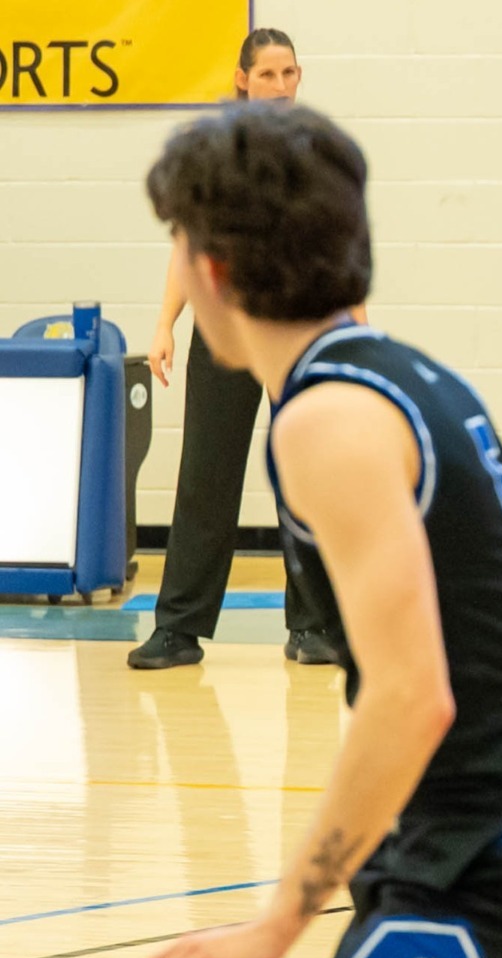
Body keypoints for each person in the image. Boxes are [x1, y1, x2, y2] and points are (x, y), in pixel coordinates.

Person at [140, 104, 502, 958]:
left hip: (489, 868)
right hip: (465, 844)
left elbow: (412, 699)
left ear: (212, 273)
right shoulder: (412, 377)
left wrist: (279, 917)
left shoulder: (326, 419)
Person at [128, 27, 336, 670]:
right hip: (225, 331)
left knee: (304, 477)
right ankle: (178, 629)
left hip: (298, 330)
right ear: (243, 78)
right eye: (267, 74)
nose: (279, 85)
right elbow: (189, 244)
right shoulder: (214, 152)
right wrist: (165, 324)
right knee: (206, 476)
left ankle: (313, 625)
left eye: (289, 73)